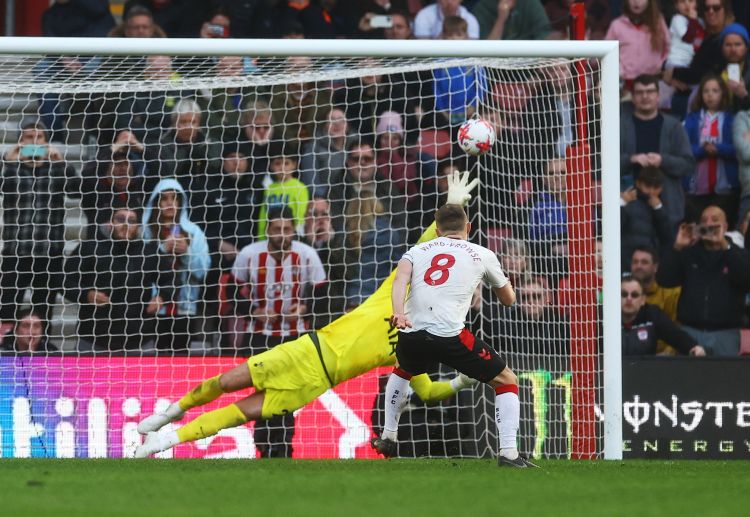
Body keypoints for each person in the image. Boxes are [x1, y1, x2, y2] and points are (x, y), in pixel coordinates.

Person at [133, 171, 482, 458]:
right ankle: (166, 417)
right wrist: (453, 203)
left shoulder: (410, 348)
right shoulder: (391, 296)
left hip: (314, 383)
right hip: (304, 351)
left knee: (236, 415)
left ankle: (162, 444)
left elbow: (428, 392)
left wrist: (462, 380)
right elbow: (430, 244)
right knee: (224, 383)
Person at [371, 203, 537, 468]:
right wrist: (505, 286)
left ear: (437, 231)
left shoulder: (414, 251)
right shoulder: (481, 253)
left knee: (402, 369)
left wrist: (399, 313)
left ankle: (389, 436)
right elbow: (508, 300)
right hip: (449, 335)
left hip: (411, 331)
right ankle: (509, 453)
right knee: (506, 379)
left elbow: (400, 280)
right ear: (468, 227)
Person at [0, 119, 80, 325]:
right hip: (16, 253)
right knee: (7, 308)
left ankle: (41, 350)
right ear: (20, 142)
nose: (34, 141)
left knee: (44, 310)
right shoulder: (11, 169)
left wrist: (61, 162)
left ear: (47, 141)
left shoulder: (56, 169)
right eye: (29, 137)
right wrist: (7, 160)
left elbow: (78, 191)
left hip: (49, 253)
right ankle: (5, 349)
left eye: (39, 137)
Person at [64, 206, 174, 352]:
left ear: (138, 226)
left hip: (139, 341)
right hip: (93, 340)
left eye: (132, 221)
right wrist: (86, 295)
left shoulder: (149, 252)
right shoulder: (89, 248)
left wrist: (162, 297)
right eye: (121, 219)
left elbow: (171, 280)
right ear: (111, 222)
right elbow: (64, 281)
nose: (126, 224)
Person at [657, 204, 750, 355]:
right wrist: (677, 246)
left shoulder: (737, 253)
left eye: (714, 220)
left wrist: (724, 246)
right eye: (704, 220)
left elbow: (746, 279)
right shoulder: (688, 253)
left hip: (726, 334)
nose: (709, 224)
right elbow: (664, 280)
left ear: (725, 226)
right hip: (690, 332)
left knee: (724, 378)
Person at [142, 179, 211, 353]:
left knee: (180, 359)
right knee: (151, 357)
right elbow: (136, 264)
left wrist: (187, 253)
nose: (169, 203)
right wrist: (162, 250)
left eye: (174, 198)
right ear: (156, 202)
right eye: (164, 199)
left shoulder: (194, 231)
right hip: (152, 304)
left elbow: (202, 271)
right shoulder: (144, 231)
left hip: (184, 306)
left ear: (180, 201)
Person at [620, 74, 695, 228]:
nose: (645, 96)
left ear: (658, 96)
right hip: (630, 209)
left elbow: (688, 164)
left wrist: (663, 160)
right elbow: (605, 165)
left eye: (650, 91)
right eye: (639, 92)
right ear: (632, 97)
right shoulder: (620, 127)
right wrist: (631, 159)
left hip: (668, 207)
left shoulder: (674, 126)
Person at [683, 74, 739, 224]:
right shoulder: (691, 120)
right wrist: (703, 150)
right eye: (706, 91)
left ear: (723, 93)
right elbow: (684, 150)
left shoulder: (732, 120)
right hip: (697, 188)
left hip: (725, 187)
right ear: (701, 94)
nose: (710, 95)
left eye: (715, 91)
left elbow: (738, 149)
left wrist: (718, 149)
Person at [621, 276, 706, 356]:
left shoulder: (652, 314)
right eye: (624, 294)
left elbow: (675, 335)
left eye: (634, 295)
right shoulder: (607, 318)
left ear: (643, 299)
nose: (629, 299)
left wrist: (692, 347)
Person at [604, 0, 670, 87]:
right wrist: (621, 71)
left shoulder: (658, 22)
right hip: (626, 83)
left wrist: (660, 65)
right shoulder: (617, 25)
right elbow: (607, 54)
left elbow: (668, 48)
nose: (636, 2)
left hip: (654, 81)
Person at [620, 166, 673, 268]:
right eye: (648, 186)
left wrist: (658, 209)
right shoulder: (628, 201)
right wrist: (622, 204)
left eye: (656, 187)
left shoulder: (663, 205)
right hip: (628, 262)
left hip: (651, 264)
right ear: (638, 183)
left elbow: (667, 238)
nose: (651, 191)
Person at [256, 143, 310, 239]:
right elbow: (263, 216)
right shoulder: (269, 188)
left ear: (294, 165)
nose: (282, 167)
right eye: (277, 163)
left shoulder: (300, 187)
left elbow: (301, 215)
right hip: (270, 237)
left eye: (286, 163)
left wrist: (295, 235)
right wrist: (261, 237)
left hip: (290, 236)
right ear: (271, 166)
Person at [472, 0, 552, 41]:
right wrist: (501, 18)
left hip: (530, 64)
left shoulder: (531, 3)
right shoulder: (482, 7)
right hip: (493, 68)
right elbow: (486, 52)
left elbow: (545, 35)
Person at [413, 0, 480, 39]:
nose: (449, 1)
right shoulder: (424, 15)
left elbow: (473, 49)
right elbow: (423, 47)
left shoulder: (471, 20)